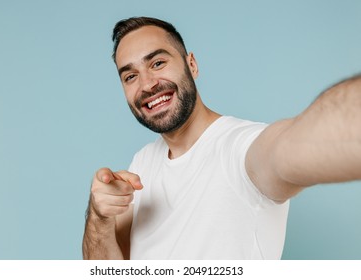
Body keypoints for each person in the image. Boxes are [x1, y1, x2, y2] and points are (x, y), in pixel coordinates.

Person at [82, 16, 361, 260]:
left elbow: (294, 144)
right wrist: (99, 216)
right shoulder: (141, 163)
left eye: (157, 62)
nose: (147, 85)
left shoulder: (241, 147)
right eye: (130, 76)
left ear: (191, 65)